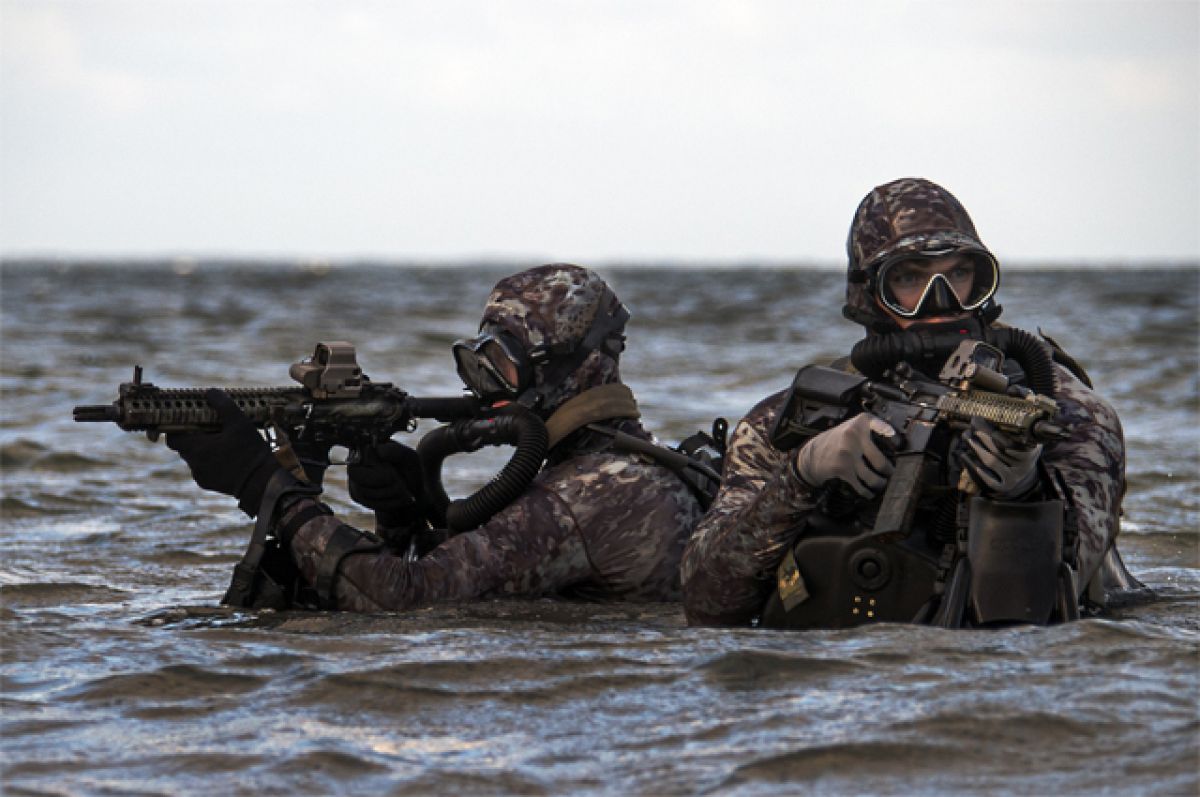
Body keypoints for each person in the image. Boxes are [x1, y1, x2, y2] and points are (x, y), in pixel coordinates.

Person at [682, 177, 1138, 628]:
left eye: (959, 274)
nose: (941, 300)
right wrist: (801, 475)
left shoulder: (1069, 411)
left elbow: (1064, 601)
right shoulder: (792, 416)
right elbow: (707, 601)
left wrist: (1025, 493)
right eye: (908, 278)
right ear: (869, 293)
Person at [168, 264, 706, 611]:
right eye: (478, 362)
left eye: (502, 365)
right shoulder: (622, 472)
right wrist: (404, 519)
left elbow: (403, 602)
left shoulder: (581, 498)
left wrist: (265, 486)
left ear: (571, 371)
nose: (488, 388)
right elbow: (486, 576)